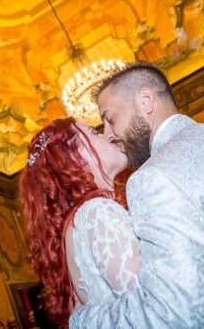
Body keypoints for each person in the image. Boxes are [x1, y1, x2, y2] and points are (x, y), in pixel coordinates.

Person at [69, 61, 204, 328]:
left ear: (145, 101)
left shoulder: (151, 178)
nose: (109, 135)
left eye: (110, 119)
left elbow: (175, 314)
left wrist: (81, 319)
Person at [20, 117, 132, 326]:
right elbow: (151, 309)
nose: (108, 135)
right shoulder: (97, 213)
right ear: (76, 155)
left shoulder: (77, 223)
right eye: (94, 132)